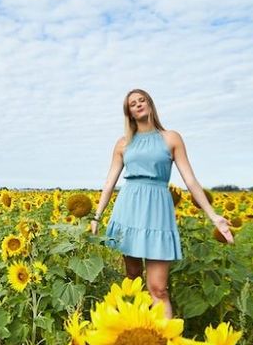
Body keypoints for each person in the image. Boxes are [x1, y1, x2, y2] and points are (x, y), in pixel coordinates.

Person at [90, 89, 234, 319]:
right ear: (129, 113)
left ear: (150, 104)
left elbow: (190, 180)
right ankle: (135, 334)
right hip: (129, 206)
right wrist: (97, 215)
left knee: (158, 288)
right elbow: (109, 182)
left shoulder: (171, 138)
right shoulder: (123, 143)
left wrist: (213, 215)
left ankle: (165, 344)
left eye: (141, 100)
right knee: (132, 279)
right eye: (132, 104)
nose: (138, 105)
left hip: (157, 210)